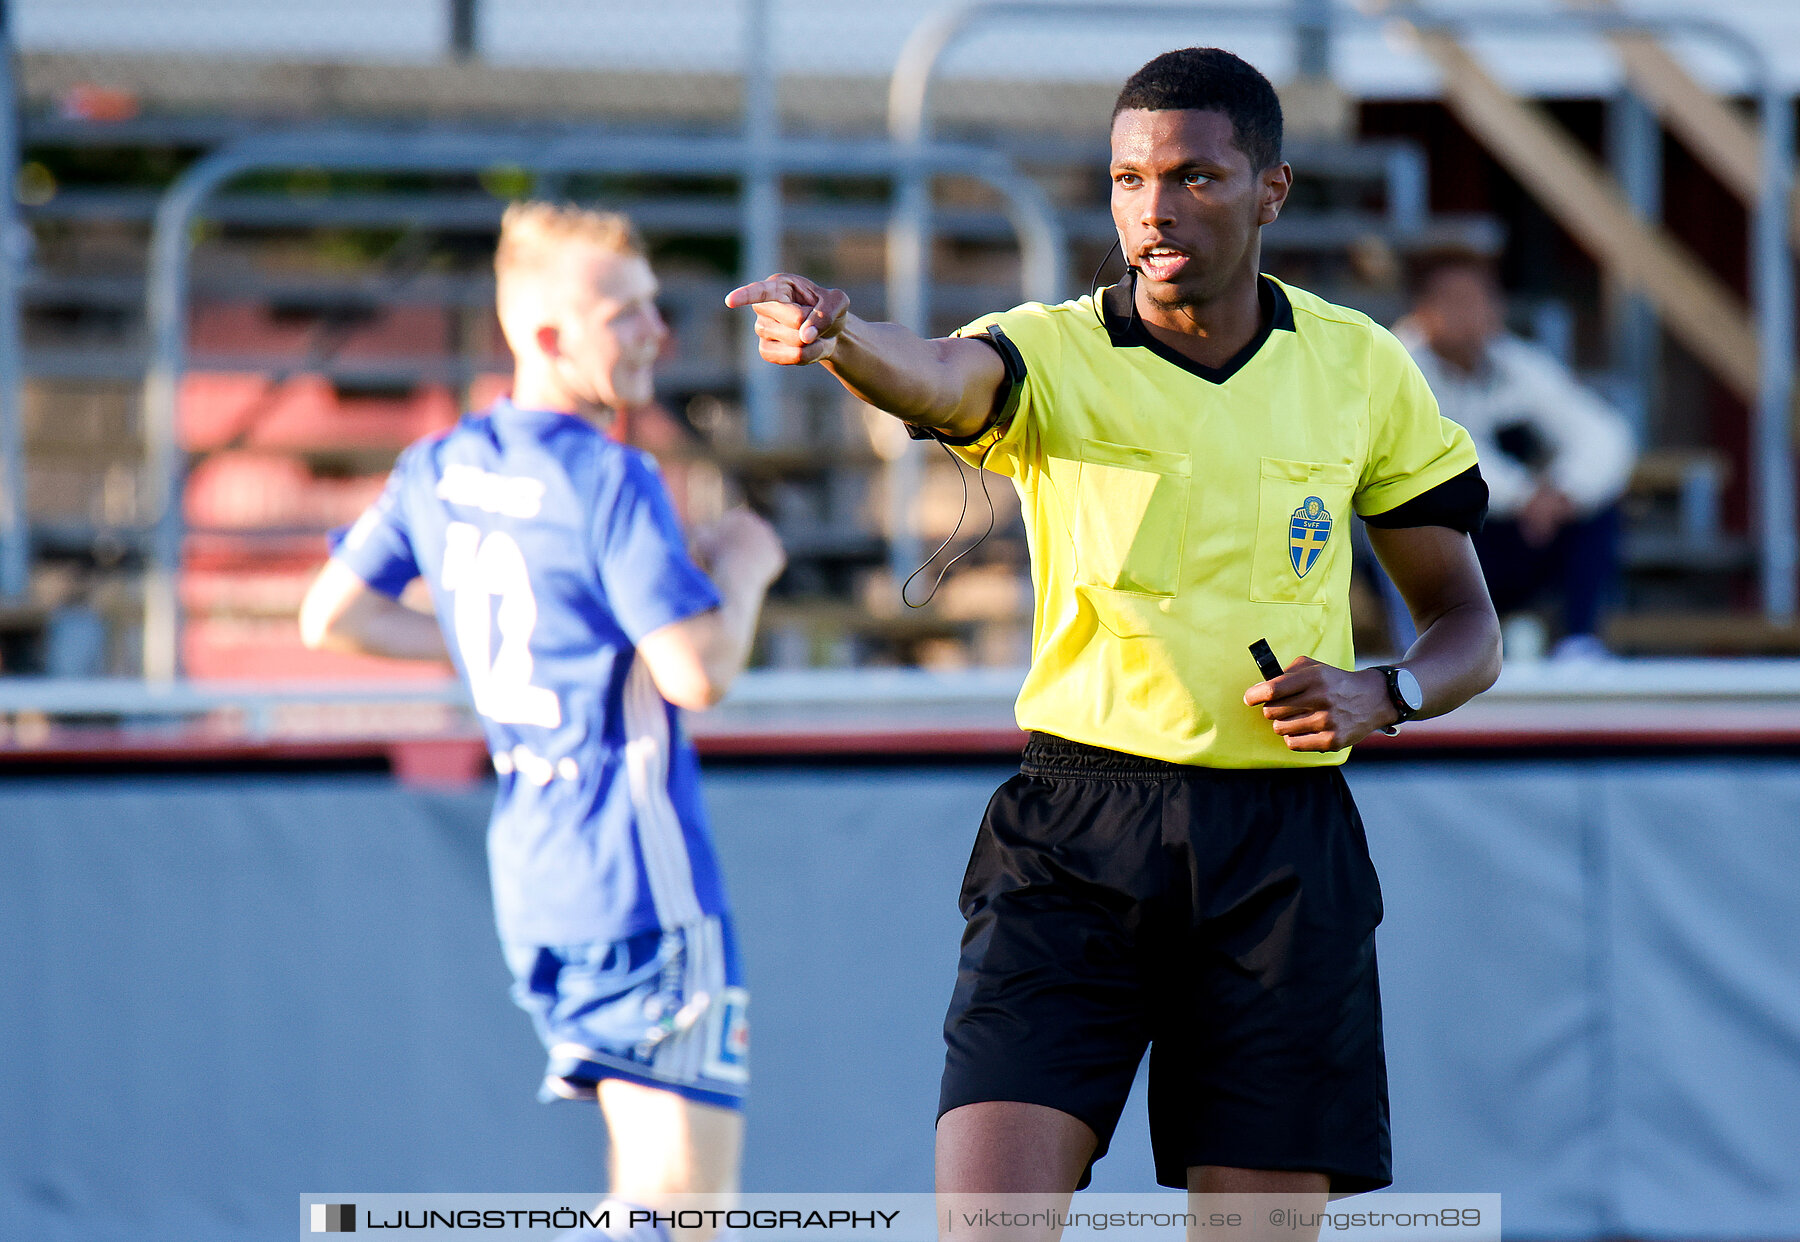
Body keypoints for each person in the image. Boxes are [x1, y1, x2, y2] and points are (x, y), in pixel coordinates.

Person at [729, 47, 1500, 1234]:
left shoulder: (1359, 368)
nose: (1156, 207)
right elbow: (937, 374)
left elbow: (1469, 627)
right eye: (1131, 178)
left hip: (1283, 854)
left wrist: (1381, 692)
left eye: (1195, 175)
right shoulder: (1052, 348)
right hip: (1073, 838)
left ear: (1271, 190)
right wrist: (841, 342)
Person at [300, 202, 785, 1240]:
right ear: (548, 334)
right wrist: (743, 569)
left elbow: (331, 614)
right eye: (628, 312)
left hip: (537, 885)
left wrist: (494, 647)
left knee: (637, 1189)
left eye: (658, 307)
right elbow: (697, 671)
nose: (658, 331)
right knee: (687, 1208)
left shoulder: (438, 467)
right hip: (643, 882)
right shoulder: (608, 477)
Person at [1395, 250, 1635, 661]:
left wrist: (1564, 492)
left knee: (1599, 505)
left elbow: (1602, 433)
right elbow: (1437, 449)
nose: (1471, 312)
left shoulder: (1515, 361)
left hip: (1511, 528)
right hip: (1440, 545)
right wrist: (1526, 496)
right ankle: (1434, 649)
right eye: (1454, 300)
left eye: (1481, 298)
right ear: (1423, 310)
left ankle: (1580, 641)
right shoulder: (1395, 363)